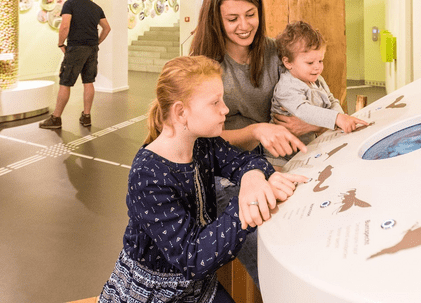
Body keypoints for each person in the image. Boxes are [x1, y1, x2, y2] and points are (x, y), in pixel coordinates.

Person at [99, 56, 306, 303]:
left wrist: (253, 180)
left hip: (199, 288)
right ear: (180, 112)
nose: (225, 109)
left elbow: (246, 161)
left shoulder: (203, 144)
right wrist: (247, 205)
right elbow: (193, 257)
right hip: (156, 296)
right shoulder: (148, 175)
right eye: (215, 102)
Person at [189, 0, 323, 287]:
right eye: (232, 18)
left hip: (283, 161)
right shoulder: (202, 66)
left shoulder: (278, 52)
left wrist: (307, 122)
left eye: (250, 14)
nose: (244, 25)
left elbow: (325, 103)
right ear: (215, 21)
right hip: (228, 170)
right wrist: (257, 131)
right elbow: (201, 140)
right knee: (264, 238)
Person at [269, 21, 368, 164]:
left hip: (307, 148)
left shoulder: (317, 80)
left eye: (320, 61)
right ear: (288, 63)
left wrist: (341, 118)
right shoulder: (287, 86)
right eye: (310, 63)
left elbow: (331, 100)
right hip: (280, 155)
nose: (317, 67)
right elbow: (303, 110)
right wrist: (336, 118)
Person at [39, 0, 111, 129]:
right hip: (92, 49)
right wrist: (97, 42)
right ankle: (86, 116)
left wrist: (60, 44)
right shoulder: (96, 7)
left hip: (76, 47)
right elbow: (107, 28)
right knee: (88, 81)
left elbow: (65, 26)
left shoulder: (70, 4)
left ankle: (56, 118)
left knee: (65, 82)